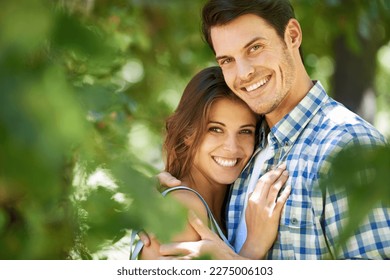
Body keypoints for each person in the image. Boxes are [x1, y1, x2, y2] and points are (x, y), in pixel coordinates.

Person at [148, 0, 389, 259]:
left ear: (292, 36)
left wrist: (238, 267)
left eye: (255, 48)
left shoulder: (349, 145)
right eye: (227, 60)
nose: (244, 73)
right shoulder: (248, 148)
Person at [136, 66, 291, 260]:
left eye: (245, 131)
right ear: (187, 134)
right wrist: (253, 249)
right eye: (216, 129)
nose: (232, 147)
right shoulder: (184, 207)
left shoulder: (226, 205)